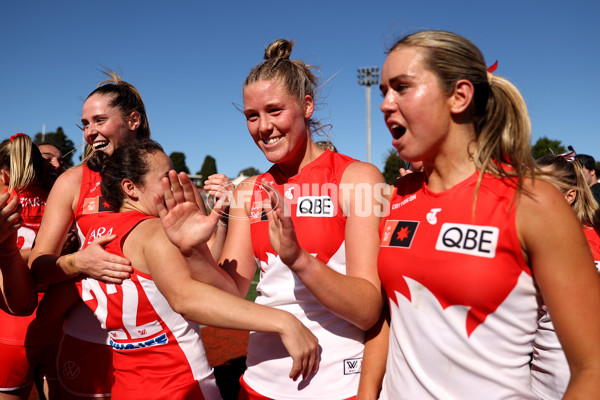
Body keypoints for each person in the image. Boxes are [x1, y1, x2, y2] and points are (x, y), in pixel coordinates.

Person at [360, 30, 600, 399]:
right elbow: (391, 316)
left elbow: (593, 367)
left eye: (402, 87)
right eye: (383, 92)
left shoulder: (534, 204)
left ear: (459, 96)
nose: (385, 104)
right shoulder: (396, 198)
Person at [162, 38, 384, 400]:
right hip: (260, 383)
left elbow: (368, 310)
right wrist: (192, 252)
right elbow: (231, 292)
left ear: (307, 106)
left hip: (338, 384)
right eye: (252, 116)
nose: (263, 127)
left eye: (275, 110)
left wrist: (299, 260)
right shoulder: (249, 190)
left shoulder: (356, 179)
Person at [39, 139, 319, 400]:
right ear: (130, 187)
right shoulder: (152, 232)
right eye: (166, 177)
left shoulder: (94, 236)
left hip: (127, 382)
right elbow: (186, 299)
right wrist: (283, 322)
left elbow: (49, 310)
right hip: (180, 381)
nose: (175, 183)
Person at [29, 71, 151, 400]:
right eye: (85, 123)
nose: (90, 132)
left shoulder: (163, 176)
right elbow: (38, 270)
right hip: (90, 340)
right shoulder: (73, 182)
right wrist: (78, 263)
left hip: (156, 343)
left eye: (99, 120)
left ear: (134, 120)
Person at [531, 154, 600, 399]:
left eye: (542, 188)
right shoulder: (525, 240)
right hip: (539, 388)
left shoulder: (597, 235)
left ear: (569, 196)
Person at [0, 133, 62, 400]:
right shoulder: (61, 201)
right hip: (58, 316)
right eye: (49, 158)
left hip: (9, 322)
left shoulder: (4, 198)